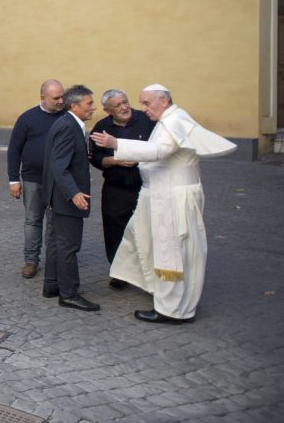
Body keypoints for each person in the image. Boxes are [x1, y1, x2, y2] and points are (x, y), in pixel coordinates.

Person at [91, 84, 235, 324]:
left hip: (171, 198)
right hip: (161, 195)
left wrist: (117, 145)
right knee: (138, 236)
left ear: (164, 101)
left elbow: (160, 150)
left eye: (147, 103)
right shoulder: (169, 119)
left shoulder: (173, 121)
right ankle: (161, 293)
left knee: (172, 252)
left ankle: (172, 309)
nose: (142, 109)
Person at [88, 89, 155, 289]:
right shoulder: (101, 128)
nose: (124, 107)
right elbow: (96, 158)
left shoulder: (146, 120)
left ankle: (148, 272)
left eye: (125, 102)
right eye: (117, 105)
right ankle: (119, 272)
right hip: (116, 187)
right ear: (108, 110)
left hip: (145, 185)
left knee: (147, 229)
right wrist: (115, 160)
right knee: (115, 230)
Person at [41, 85, 99, 311]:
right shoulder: (68, 126)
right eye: (89, 103)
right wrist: (74, 193)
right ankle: (69, 293)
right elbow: (59, 166)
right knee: (68, 245)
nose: (93, 108)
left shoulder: (68, 123)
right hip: (66, 197)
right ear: (74, 105)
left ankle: (52, 284)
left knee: (57, 242)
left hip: (60, 196)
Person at [7, 79, 65, 278]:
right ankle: (31, 261)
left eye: (62, 96)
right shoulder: (27, 118)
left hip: (59, 181)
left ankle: (54, 261)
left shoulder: (66, 117)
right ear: (42, 97)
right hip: (32, 179)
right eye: (56, 98)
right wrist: (13, 179)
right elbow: (14, 149)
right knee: (33, 221)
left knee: (54, 222)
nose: (60, 101)